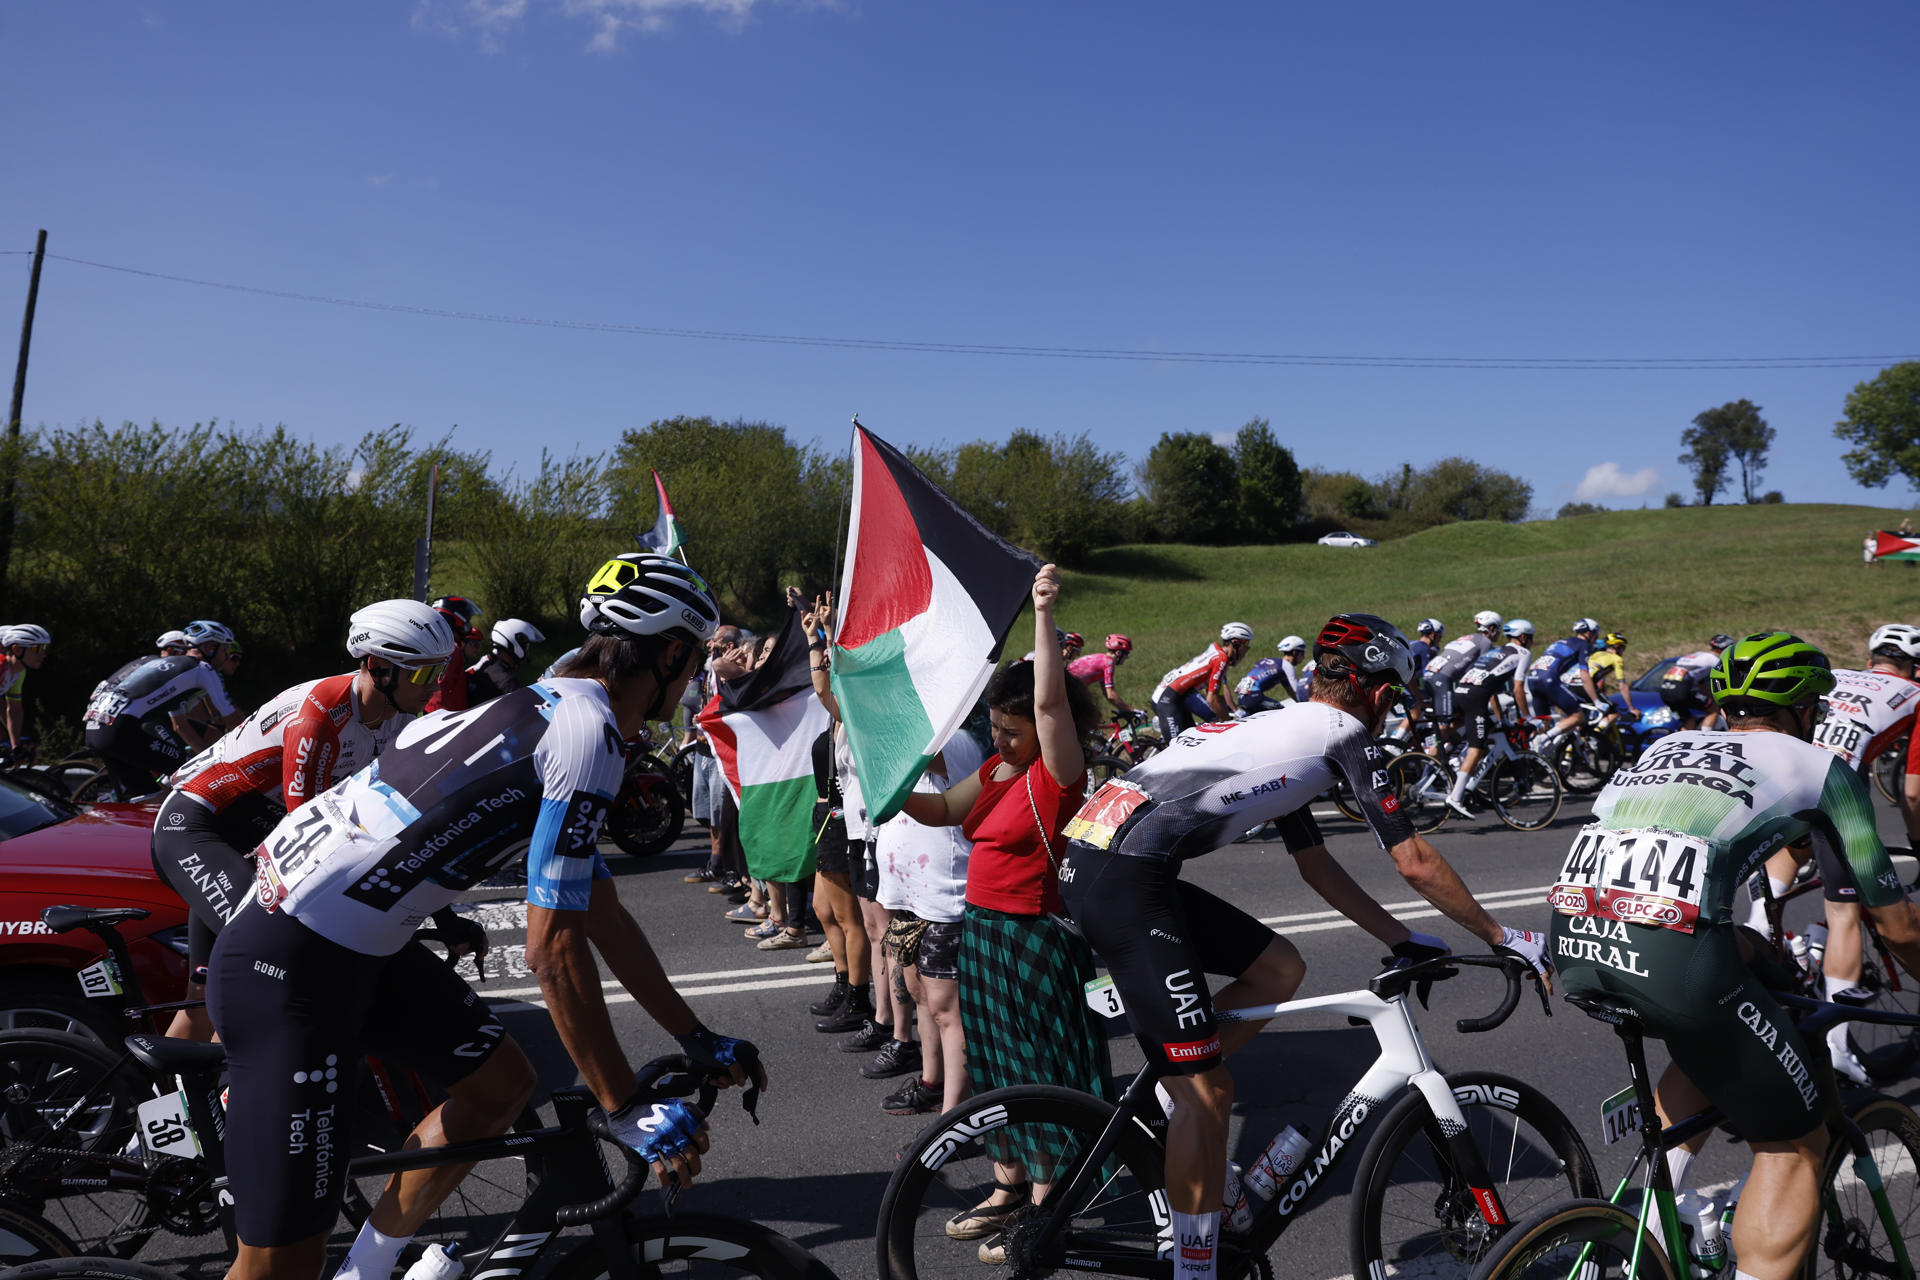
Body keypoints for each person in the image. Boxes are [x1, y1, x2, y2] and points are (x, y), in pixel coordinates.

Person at [206, 553, 765, 1280]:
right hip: (287, 963)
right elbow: (551, 953)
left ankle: (368, 1269)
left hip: (355, 947)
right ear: (669, 653)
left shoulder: (553, 704)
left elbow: (601, 911)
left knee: (501, 1088)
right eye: (692, 662)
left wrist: (695, 1034)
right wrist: (623, 1105)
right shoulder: (588, 736)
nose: (693, 679)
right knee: (278, 1267)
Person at [1059, 613, 1551, 1280]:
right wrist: (1505, 936)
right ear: (1378, 692)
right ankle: (1196, 1268)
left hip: (1104, 867)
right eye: (1393, 701)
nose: (1390, 713)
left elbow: (1315, 867)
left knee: (1280, 966)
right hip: (1123, 882)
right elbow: (1413, 862)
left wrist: (1401, 938)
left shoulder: (1286, 729)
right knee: (1211, 1094)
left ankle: (1171, 1088)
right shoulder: (1345, 736)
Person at [1549, 632, 1920, 1280]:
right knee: (1795, 1144)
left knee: (1713, 1027)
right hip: (1672, 956)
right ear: (1806, 709)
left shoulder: (1668, 744)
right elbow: (1897, 928)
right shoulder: (1821, 767)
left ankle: (1660, 1219)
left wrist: (1757, 950)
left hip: (1573, 940)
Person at [899, 565, 1111, 1258]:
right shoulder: (995, 772)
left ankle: (1049, 1209)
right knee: (995, 1067)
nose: (1000, 741)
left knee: (1041, 1069)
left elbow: (1050, 705)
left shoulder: (1058, 772)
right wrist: (890, 783)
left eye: (1011, 730)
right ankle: (1007, 1185)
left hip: (1035, 941)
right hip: (985, 935)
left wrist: (1043, 614)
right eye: (993, 728)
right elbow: (938, 809)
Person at [152, 600, 465, 1040]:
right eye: (421, 674)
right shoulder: (321, 716)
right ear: (378, 667)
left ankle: (166, 1104)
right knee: (270, 962)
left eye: (438, 672)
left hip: (251, 838)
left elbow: (399, 824)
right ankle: (229, 1095)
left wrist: (444, 917)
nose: (431, 688)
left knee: (203, 995)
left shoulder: (396, 720)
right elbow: (311, 838)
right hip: (198, 828)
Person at [1741, 622, 1920, 1083]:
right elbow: (1914, 792)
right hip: (1831, 780)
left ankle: (1763, 936)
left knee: (1789, 853)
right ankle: (1837, 1042)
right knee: (1845, 909)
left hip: (1775, 761)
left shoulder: (1835, 674)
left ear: (1871, 661)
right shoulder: (1914, 693)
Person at [83, 619, 245, 798]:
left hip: (97, 729)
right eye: (225, 650)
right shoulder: (203, 670)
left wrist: (208, 760)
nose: (226, 656)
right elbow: (231, 717)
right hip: (120, 730)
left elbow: (180, 725)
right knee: (190, 774)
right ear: (209, 648)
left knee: (141, 799)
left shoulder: (172, 668)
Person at [1443, 619, 1535, 818]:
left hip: (1460, 691)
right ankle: (1456, 797)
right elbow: (1518, 689)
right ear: (1524, 638)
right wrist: (1527, 717)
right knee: (1477, 748)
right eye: (1531, 639)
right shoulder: (1523, 653)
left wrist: (1501, 719)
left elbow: (1492, 692)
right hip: (1476, 697)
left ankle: (1436, 758)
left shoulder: (1496, 651)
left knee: (1473, 730)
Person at [1151, 623, 1253, 742]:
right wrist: (1227, 723)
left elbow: (1217, 694)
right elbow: (1212, 698)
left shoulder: (1217, 654)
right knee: (1177, 749)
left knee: (1192, 742)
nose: (1247, 650)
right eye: (1246, 644)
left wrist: (1228, 715)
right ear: (1236, 643)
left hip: (1177, 699)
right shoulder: (1221, 659)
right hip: (1168, 700)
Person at [1422, 610, 1502, 738]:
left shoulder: (1467, 638)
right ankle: (1430, 754)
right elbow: (1482, 676)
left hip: (1429, 675)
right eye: (1498, 629)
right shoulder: (1485, 643)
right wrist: (1500, 719)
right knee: (1445, 725)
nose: (1499, 632)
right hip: (1442, 680)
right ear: (1491, 628)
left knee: (1461, 716)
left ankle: (1440, 750)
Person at [1525, 618, 1603, 749]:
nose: (1595, 640)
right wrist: (1596, 701)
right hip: (1548, 679)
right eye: (1595, 637)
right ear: (1589, 634)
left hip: (1532, 678)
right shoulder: (1583, 644)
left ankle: (1532, 753)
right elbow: (1584, 675)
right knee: (1578, 716)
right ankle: (1544, 739)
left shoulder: (1560, 642)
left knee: (1544, 722)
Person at [1658, 633, 1733, 730]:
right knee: (1713, 709)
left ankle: (1684, 741)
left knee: (1688, 720)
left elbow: (1701, 686)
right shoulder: (1714, 660)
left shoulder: (1695, 655)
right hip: (1680, 690)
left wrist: (1710, 697)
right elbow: (1727, 679)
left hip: (1665, 690)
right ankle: (1704, 737)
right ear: (1724, 649)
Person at [424, 595, 485, 713]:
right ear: (456, 619)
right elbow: (441, 685)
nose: (467, 624)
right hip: (445, 715)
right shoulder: (451, 649)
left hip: (437, 711)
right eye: (466, 620)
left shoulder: (440, 645)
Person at [466, 618, 546, 705]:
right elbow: (526, 711)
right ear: (516, 642)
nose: (527, 650)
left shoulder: (486, 662)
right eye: (526, 646)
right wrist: (542, 689)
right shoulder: (507, 682)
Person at [0, 625, 49, 755]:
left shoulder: (18, 672)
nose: (43, 654)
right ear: (16, 649)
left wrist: (16, 745)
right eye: (37, 648)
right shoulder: (1, 667)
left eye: (44, 648)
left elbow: (14, 709)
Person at [1067, 633, 1137, 717]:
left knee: (1091, 714)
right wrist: (1131, 710)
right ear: (1118, 653)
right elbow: (1111, 695)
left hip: (1067, 689)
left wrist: (1124, 708)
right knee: (1091, 716)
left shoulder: (1100, 658)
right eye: (1127, 654)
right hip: (1069, 691)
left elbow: (1106, 693)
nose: (1127, 657)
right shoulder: (1108, 663)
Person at [1233, 635, 1306, 714]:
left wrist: (1301, 704)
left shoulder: (1276, 664)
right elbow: (1297, 691)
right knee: (1281, 712)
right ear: (1295, 652)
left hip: (1242, 696)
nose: (1304, 657)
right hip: (1253, 696)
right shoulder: (1286, 666)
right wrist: (1307, 707)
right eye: (1302, 653)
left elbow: (1292, 692)